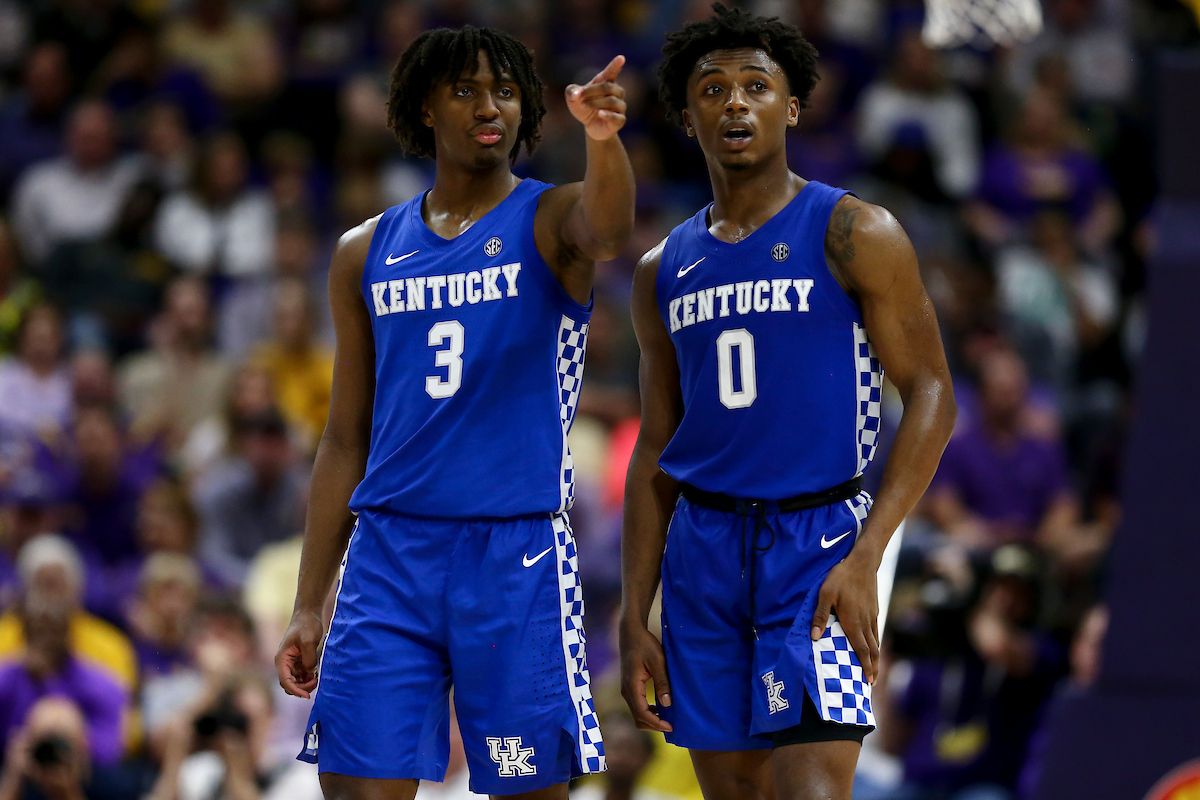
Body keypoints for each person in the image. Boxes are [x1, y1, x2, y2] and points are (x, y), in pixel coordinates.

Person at [273, 24, 634, 800]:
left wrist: (602, 140)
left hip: (515, 555)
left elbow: (608, 230)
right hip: (388, 555)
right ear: (423, 108)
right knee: (358, 789)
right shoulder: (363, 251)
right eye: (465, 89)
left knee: (523, 788)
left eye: (504, 90)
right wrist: (310, 600)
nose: (489, 105)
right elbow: (344, 437)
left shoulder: (549, 219)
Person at [618, 6, 957, 800]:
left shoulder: (855, 230)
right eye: (713, 88)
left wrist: (869, 553)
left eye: (756, 86)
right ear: (686, 113)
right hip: (702, 552)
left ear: (792, 106)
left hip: (819, 544)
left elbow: (934, 392)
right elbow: (656, 453)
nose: (735, 103)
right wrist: (637, 613)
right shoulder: (661, 269)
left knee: (811, 791)